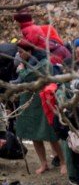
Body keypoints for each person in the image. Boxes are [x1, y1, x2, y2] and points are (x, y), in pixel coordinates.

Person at [12, 41, 65, 176]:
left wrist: (22, 69)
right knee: (33, 133)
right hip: (28, 99)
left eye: (22, 51)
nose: (19, 54)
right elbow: (21, 79)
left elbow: (27, 76)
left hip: (43, 100)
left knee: (51, 133)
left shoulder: (44, 63)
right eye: (18, 51)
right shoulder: (26, 62)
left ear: (30, 51)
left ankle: (63, 162)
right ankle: (43, 163)